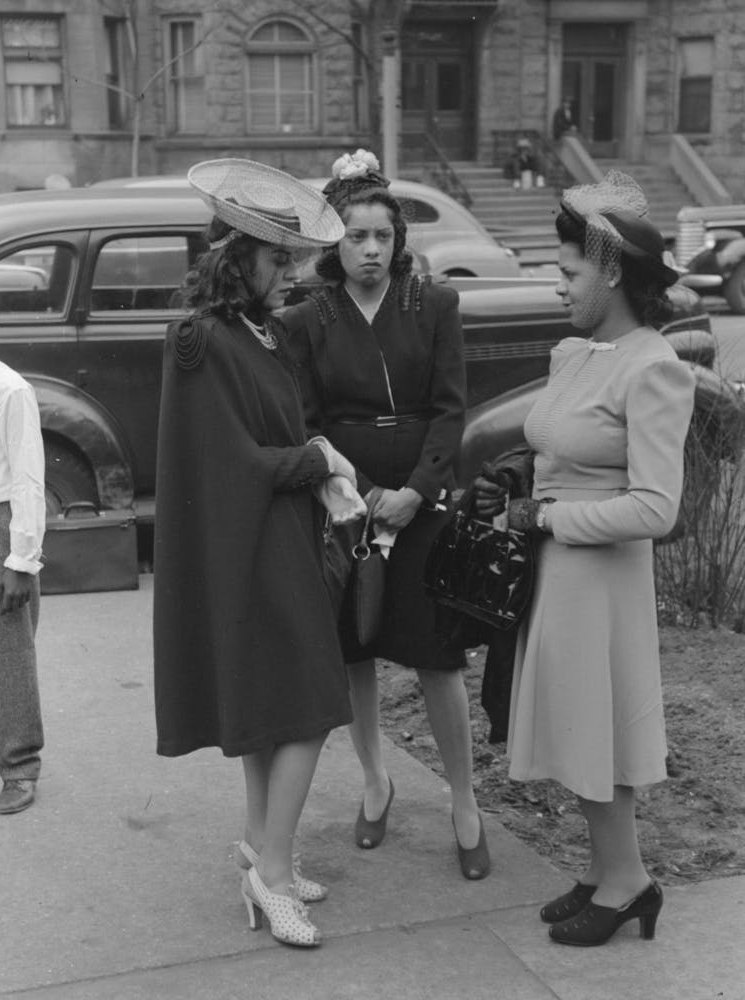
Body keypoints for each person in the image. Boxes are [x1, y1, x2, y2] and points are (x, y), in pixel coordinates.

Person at [474, 170, 695, 946]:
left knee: (599, 729)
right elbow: (560, 444)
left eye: (568, 273)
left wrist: (551, 514)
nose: (557, 286)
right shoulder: (578, 353)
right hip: (557, 574)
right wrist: (519, 478)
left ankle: (630, 881)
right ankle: (610, 871)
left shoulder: (652, 366)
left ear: (610, 271)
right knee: (580, 729)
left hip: (601, 580)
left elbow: (656, 508)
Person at [153, 157, 364, 949]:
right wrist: (319, 459)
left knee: (277, 707)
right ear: (235, 255)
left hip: (279, 539)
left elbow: (266, 440)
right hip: (252, 548)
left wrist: (309, 454)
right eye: (280, 258)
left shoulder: (254, 330)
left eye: (294, 258)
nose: (292, 273)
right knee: (310, 704)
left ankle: (262, 846)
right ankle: (270, 875)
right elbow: (232, 465)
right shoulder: (198, 340)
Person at [282, 148, 490, 880]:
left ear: (399, 240)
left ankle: (464, 801)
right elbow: (308, 417)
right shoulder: (308, 318)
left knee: (436, 656)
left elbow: (450, 408)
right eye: (355, 237)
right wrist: (361, 490)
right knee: (355, 652)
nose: (370, 250)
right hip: (348, 507)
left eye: (382, 236)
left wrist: (417, 489)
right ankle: (376, 783)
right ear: (333, 243)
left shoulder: (433, 305)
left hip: (420, 504)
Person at [0, 360, 45, 815]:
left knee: (8, 650)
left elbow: (29, 479)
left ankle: (19, 766)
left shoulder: (9, 389)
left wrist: (21, 560)